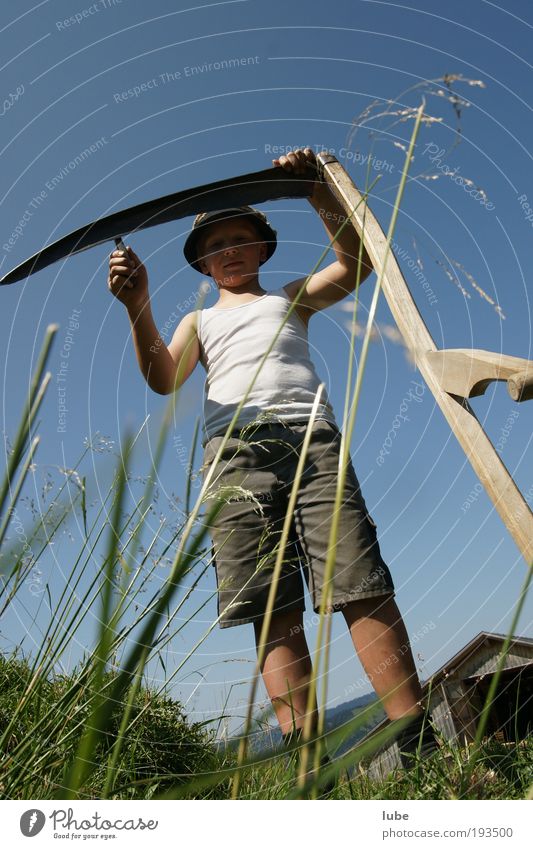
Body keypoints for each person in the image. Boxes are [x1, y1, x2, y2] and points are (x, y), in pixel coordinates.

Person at [107, 147, 438, 788]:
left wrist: (316, 190)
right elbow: (163, 377)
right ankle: (309, 763)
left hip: (311, 442)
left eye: (240, 239)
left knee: (359, 581)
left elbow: (357, 261)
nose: (228, 250)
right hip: (235, 458)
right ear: (203, 261)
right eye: (216, 244)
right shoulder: (198, 320)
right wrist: (135, 304)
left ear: (262, 248)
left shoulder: (290, 299)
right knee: (269, 606)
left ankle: (418, 736)